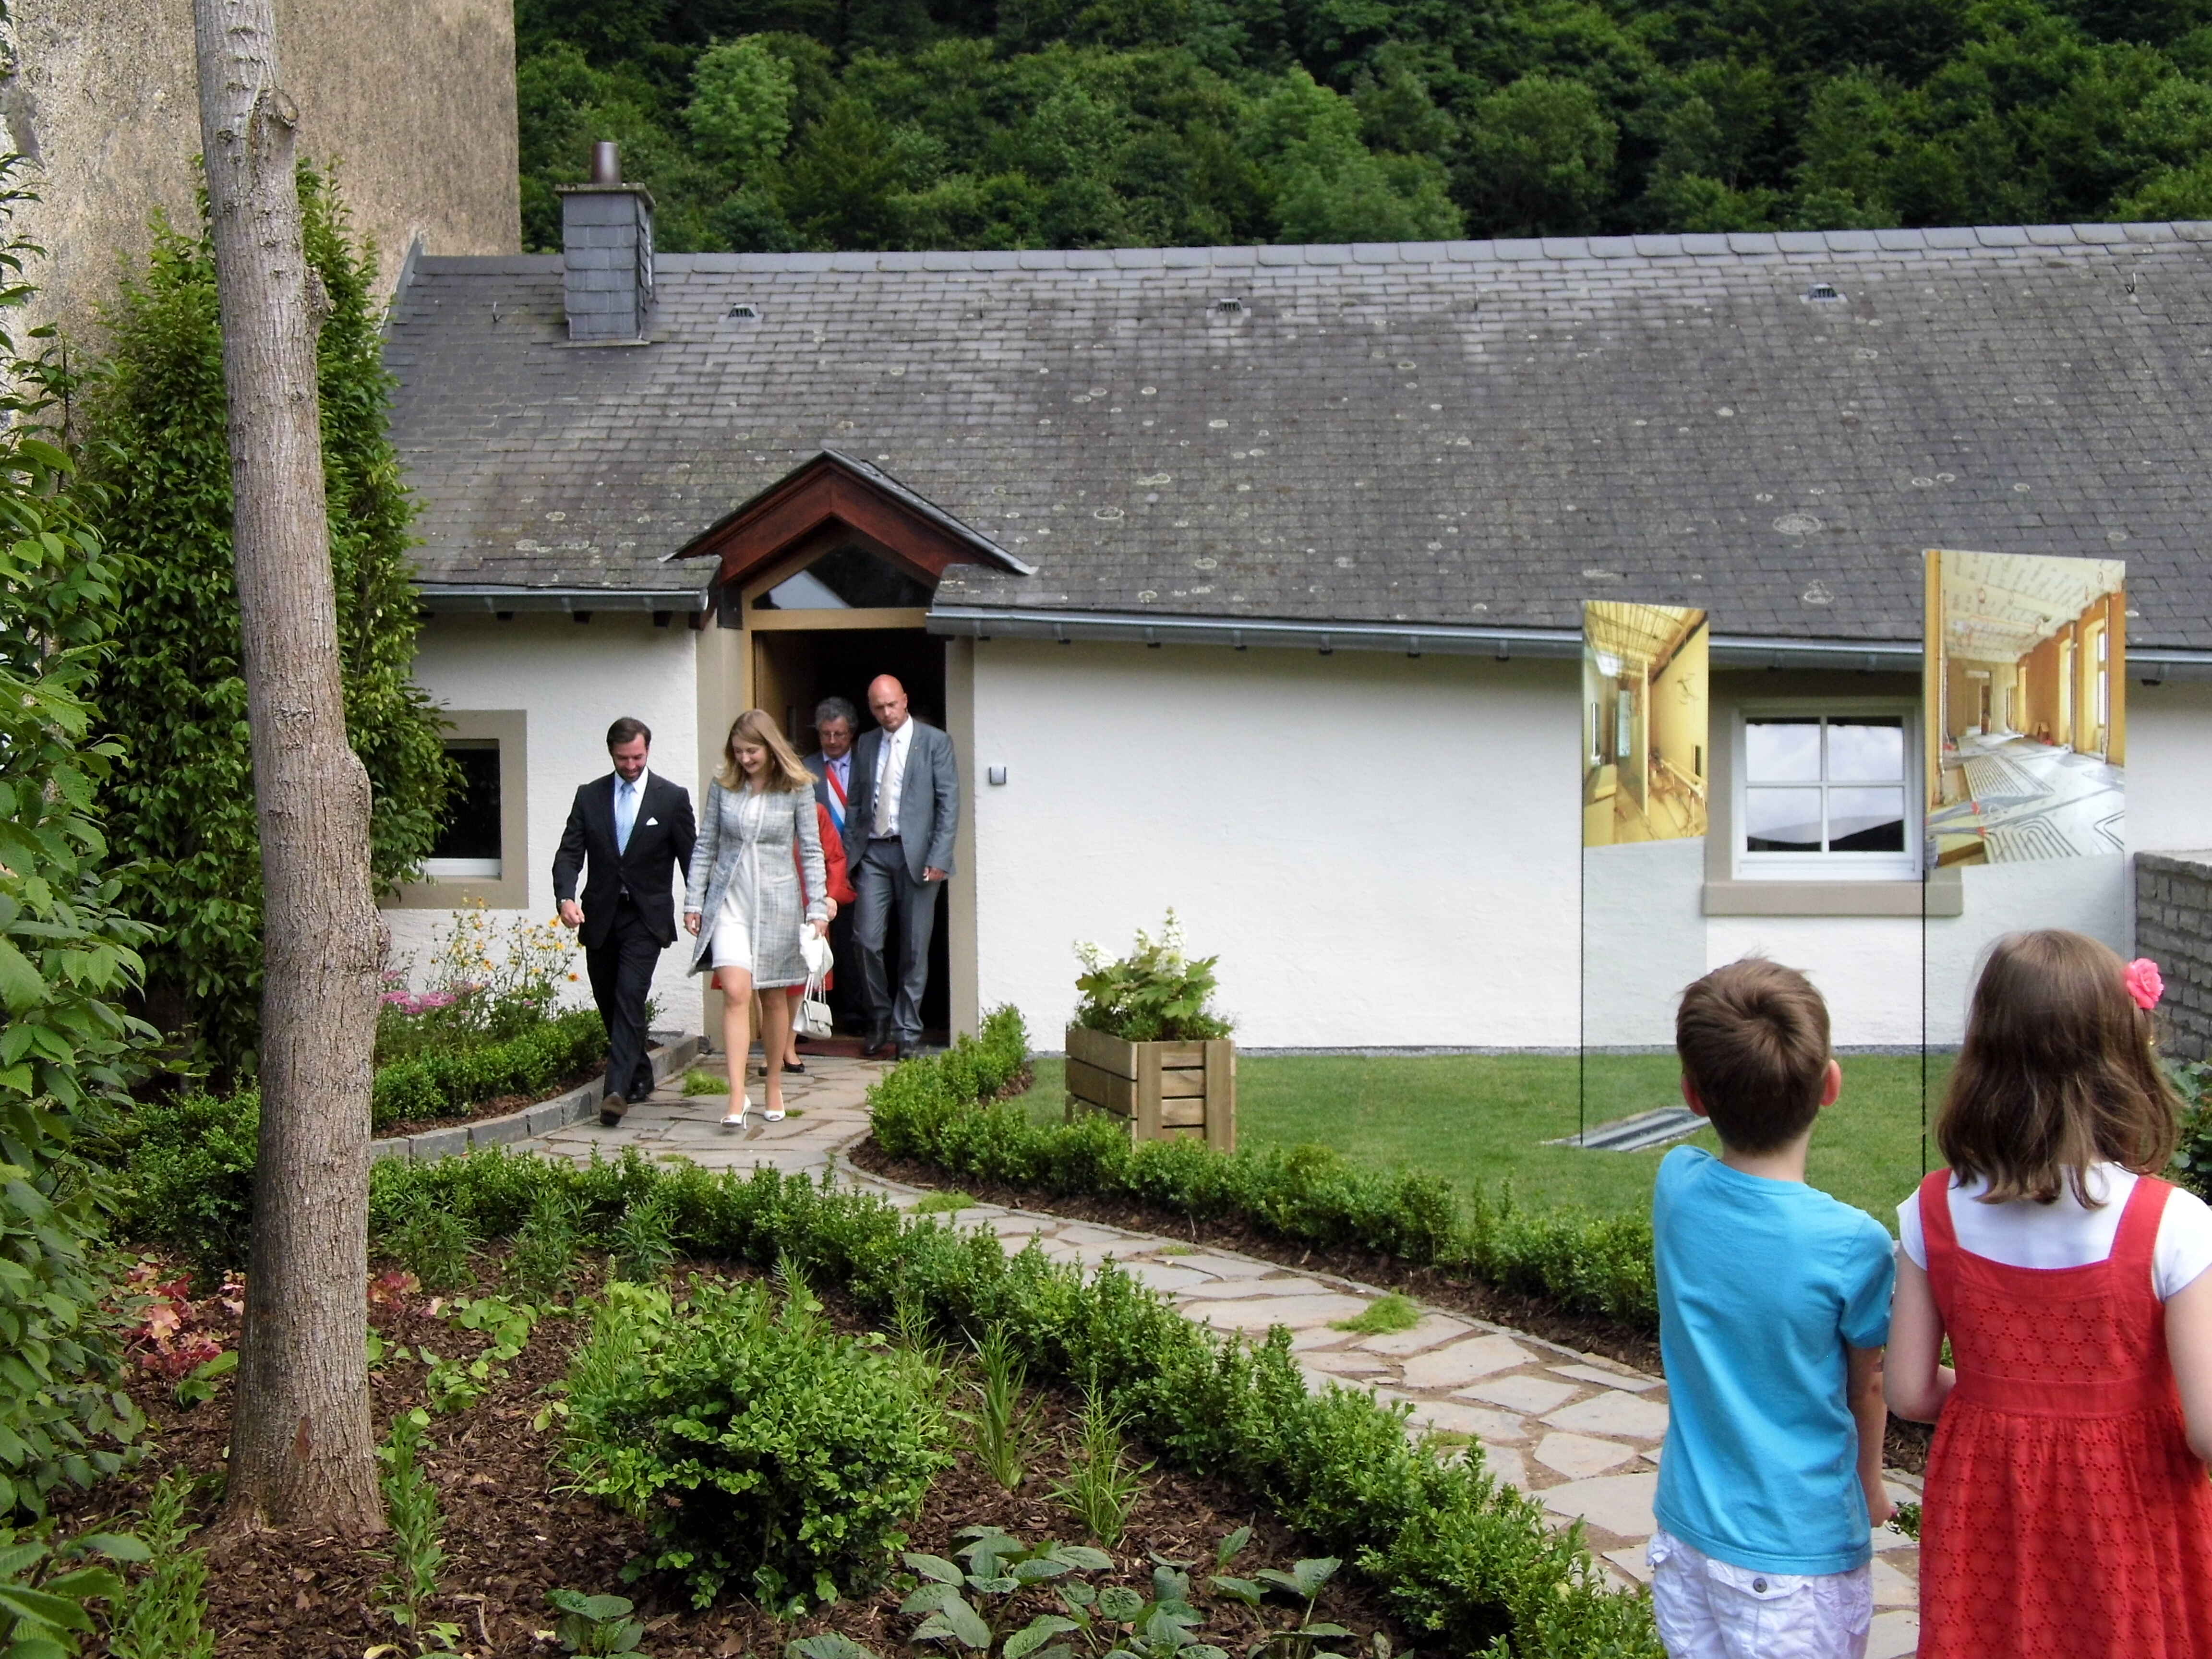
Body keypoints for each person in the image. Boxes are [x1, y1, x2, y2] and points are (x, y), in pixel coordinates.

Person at [1886, 932, 2212, 1657]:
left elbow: (1908, 1392)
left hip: (1990, 1511)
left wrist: (2004, 1401)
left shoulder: (1933, 1211)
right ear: (2121, 1056)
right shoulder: (2172, 1225)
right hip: (2132, 1516)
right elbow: (2208, 1428)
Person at [1648, 958, 1895, 1659]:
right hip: (1798, 1557)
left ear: (1694, 1096)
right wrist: (1872, 1485)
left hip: (1687, 1534)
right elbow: (1869, 1382)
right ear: (1832, 1086)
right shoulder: (1854, 1244)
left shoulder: (1677, 1184)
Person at [683, 709, 828, 1127]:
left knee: (774, 997)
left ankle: (774, 1084)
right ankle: (735, 1096)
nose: (745, 758)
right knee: (735, 992)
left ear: (770, 747)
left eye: (753, 750)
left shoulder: (798, 788)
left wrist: (818, 907)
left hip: (779, 902)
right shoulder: (725, 787)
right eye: (739, 751)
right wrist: (694, 901)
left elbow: (812, 851)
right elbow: (706, 845)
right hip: (730, 902)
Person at [553, 717, 696, 1127]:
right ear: (611, 753)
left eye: (637, 757)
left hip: (645, 918)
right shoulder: (590, 796)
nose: (631, 765)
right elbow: (569, 853)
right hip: (600, 915)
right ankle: (639, 1073)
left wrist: (697, 905)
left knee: (630, 995)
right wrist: (565, 897)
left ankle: (614, 1091)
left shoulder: (671, 798)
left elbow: (691, 858)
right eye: (623, 758)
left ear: (648, 751)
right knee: (609, 1002)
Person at [842, 674, 958, 1060]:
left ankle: (907, 1031)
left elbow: (948, 803)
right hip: (874, 852)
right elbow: (856, 803)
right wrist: (850, 853)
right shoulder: (866, 743)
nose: (886, 713)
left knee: (914, 947)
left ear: (905, 701)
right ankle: (879, 1017)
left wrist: (940, 856)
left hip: (919, 856)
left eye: (892, 705)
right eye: (878, 707)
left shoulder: (935, 742)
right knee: (865, 940)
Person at [802, 696, 863, 1033]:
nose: (833, 741)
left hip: (861, 865)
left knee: (858, 942)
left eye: (839, 734)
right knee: (815, 943)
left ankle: (857, 1011)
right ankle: (809, 1018)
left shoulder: (866, 765)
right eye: (826, 734)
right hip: (818, 868)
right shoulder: (805, 768)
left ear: (851, 733)